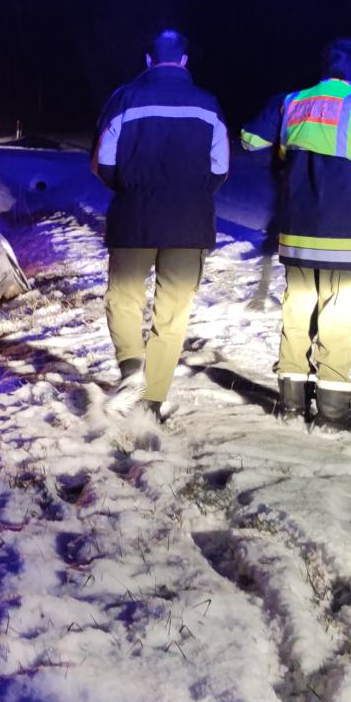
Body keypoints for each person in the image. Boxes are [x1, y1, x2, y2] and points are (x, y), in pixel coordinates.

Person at [240, 37, 351, 432]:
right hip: (347, 231)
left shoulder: (292, 102)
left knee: (297, 309)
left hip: (298, 227)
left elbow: (250, 140)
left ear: (323, 68)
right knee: (342, 315)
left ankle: (290, 403)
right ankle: (333, 412)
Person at [92, 28, 229, 421]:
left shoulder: (123, 100)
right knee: (172, 312)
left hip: (133, 219)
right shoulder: (209, 104)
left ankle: (131, 368)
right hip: (189, 225)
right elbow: (219, 168)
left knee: (123, 297)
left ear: (148, 60)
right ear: (185, 61)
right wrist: (191, 195)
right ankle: (153, 400)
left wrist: (134, 189)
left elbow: (104, 163)